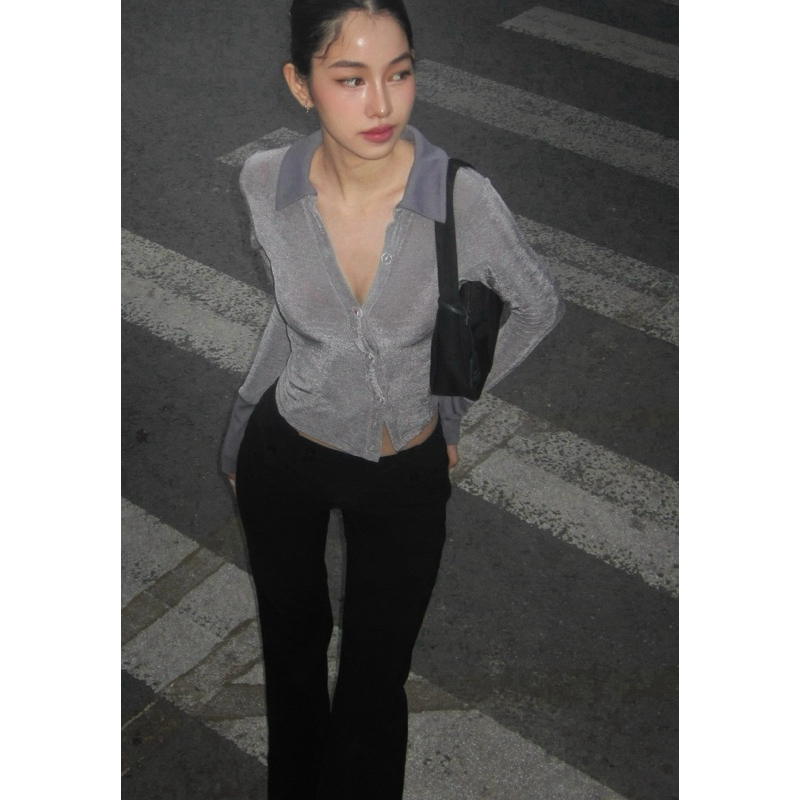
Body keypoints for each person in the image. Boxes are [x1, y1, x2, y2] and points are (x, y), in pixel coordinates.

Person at [220, 1, 564, 796]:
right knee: (292, 654)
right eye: (350, 79)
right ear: (300, 84)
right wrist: (240, 429)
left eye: (399, 74)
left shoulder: (460, 198)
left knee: (375, 680)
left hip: (403, 467)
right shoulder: (264, 181)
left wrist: (449, 404)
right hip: (284, 453)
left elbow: (538, 305)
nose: (381, 104)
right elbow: (288, 317)